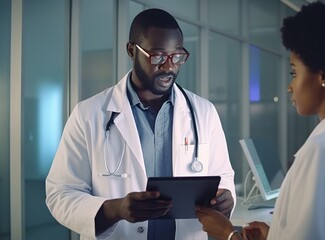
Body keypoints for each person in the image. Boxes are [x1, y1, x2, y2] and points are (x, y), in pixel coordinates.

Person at [196, 1, 325, 240]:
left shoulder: (324, 151)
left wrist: (228, 234)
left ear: (323, 74)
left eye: (294, 72)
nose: (289, 86)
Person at [45, 8, 236, 240]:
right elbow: (61, 193)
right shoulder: (89, 114)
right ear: (131, 50)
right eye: (157, 56)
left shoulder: (203, 112)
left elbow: (222, 175)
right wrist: (115, 210)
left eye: (177, 56)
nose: (169, 67)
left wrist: (226, 198)